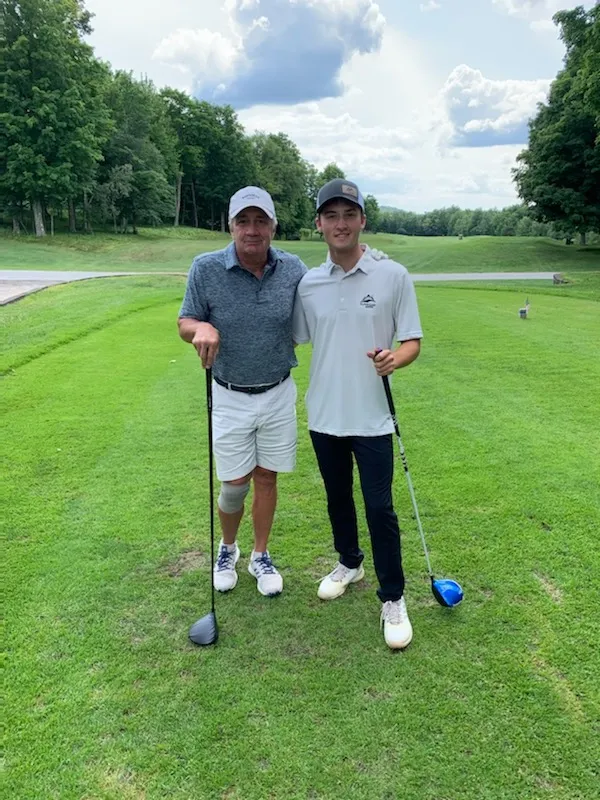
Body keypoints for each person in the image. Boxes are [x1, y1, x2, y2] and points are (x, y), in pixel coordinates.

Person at [292, 178, 423, 649]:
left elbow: (411, 341)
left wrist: (396, 358)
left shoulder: (393, 276)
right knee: (336, 498)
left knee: (379, 506)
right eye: (331, 215)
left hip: (372, 417)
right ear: (320, 225)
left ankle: (393, 596)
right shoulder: (308, 282)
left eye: (349, 214)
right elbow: (295, 338)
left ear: (362, 219)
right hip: (324, 412)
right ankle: (350, 561)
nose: (340, 223)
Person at [178, 186, 307, 597]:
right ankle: (227, 547)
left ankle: (260, 555)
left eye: (261, 221)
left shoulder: (293, 267)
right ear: (230, 225)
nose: (252, 230)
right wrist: (201, 328)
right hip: (230, 392)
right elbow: (185, 321)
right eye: (243, 221)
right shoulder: (206, 267)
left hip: (277, 390)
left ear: (273, 225)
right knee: (235, 483)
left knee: (267, 478)